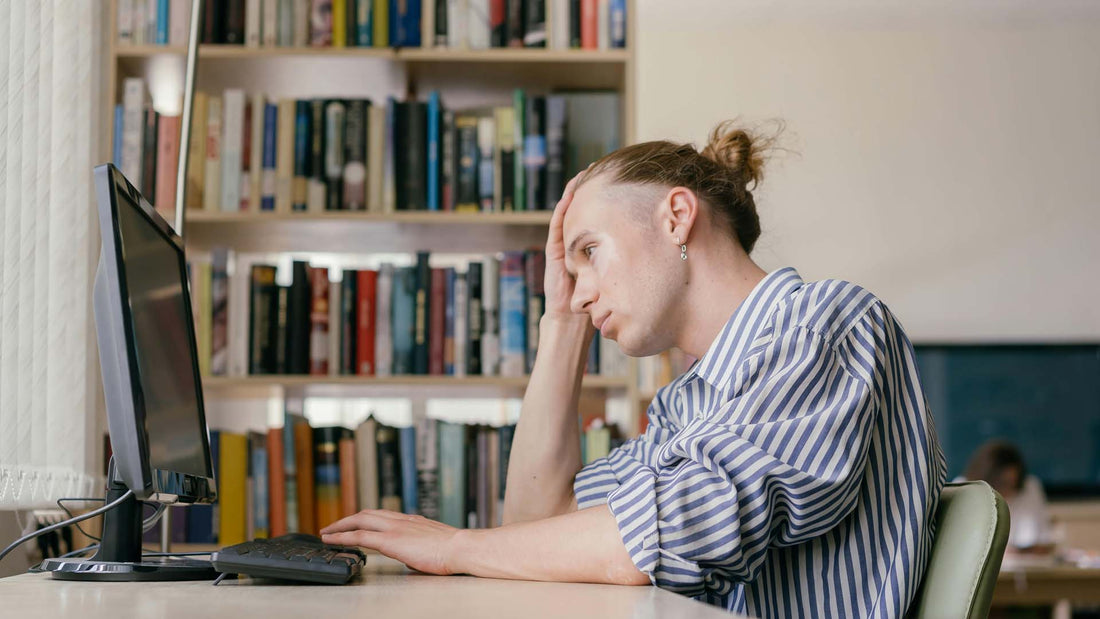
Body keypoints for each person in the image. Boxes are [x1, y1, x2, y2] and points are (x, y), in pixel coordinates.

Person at [320, 120, 947, 618]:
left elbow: (663, 532)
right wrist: (561, 322)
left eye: (590, 252)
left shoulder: (826, 322)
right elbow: (539, 522)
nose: (583, 289)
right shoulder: (689, 403)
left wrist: (454, 546)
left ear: (677, 216)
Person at [962, 439, 1054, 553]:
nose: (1008, 490)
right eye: (1003, 483)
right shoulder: (965, 490)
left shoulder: (1029, 487)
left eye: (1012, 483)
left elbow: (1044, 542)